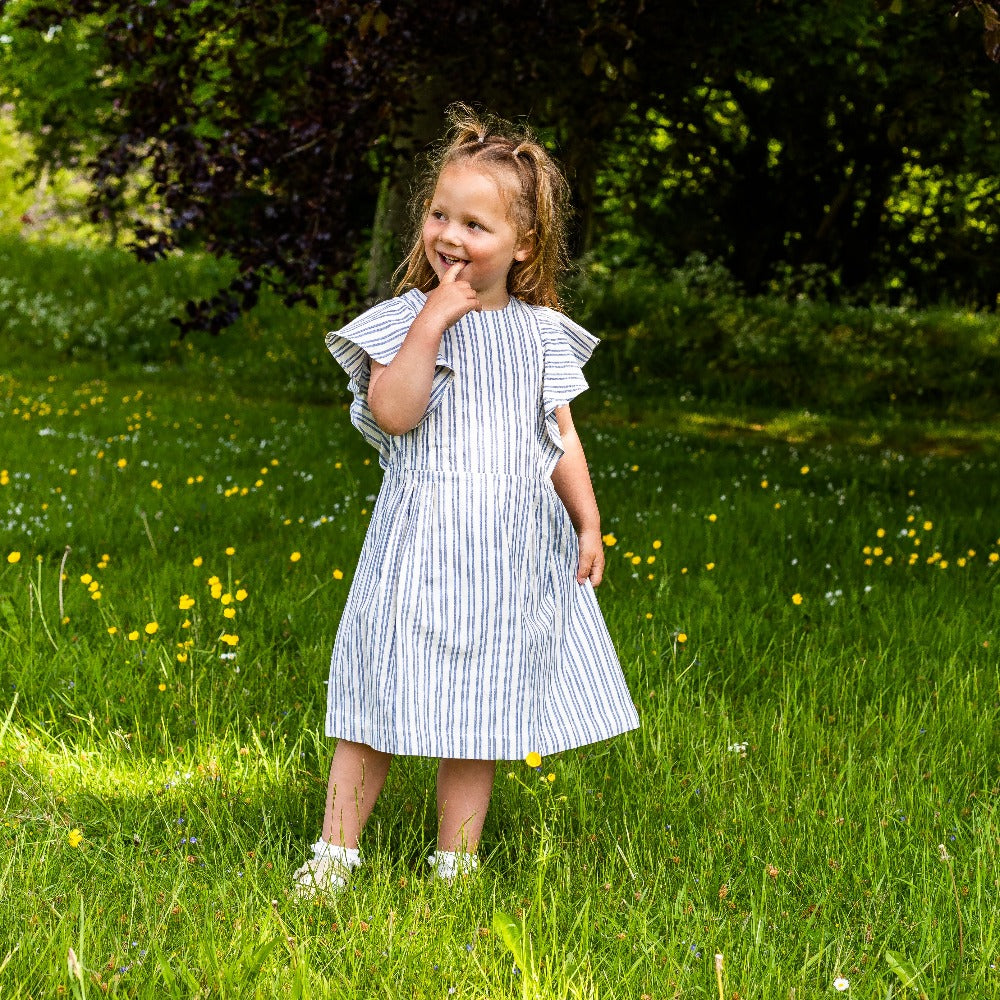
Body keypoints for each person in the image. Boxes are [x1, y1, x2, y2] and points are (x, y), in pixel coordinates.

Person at [293, 105, 639, 896]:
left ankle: (456, 860)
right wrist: (430, 325)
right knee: (377, 698)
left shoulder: (541, 333)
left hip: (503, 561)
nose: (449, 234)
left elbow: (561, 438)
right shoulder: (405, 321)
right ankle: (335, 854)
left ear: (522, 246)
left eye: (474, 225)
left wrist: (588, 519)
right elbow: (394, 411)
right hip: (420, 552)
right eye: (439, 213)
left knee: (480, 711)